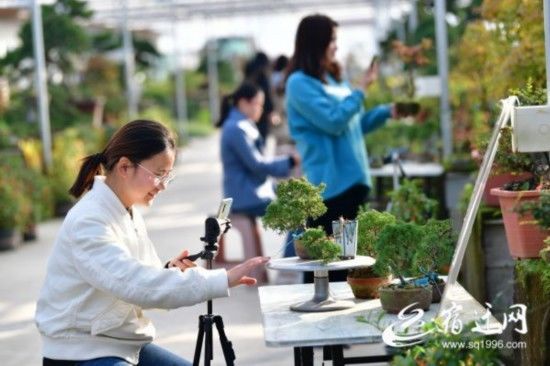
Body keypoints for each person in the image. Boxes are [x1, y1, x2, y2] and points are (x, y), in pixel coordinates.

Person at [35, 119, 269, 366]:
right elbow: (136, 285)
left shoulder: (125, 209)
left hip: (119, 343)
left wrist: (167, 270)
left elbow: (140, 278)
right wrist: (221, 279)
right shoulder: (89, 220)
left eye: (168, 176)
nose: (163, 186)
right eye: (158, 175)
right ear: (125, 166)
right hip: (80, 352)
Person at [285, 14, 399, 281]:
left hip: (354, 184)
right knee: (326, 265)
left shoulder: (334, 81)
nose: (336, 46)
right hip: (330, 188)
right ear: (317, 42)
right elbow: (334, 122)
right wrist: (360, 91)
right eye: (332, 40)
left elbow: (353, 124)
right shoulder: (299, 83)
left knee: (349, 263)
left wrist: (386, 111)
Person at [218, 82, 298, 219]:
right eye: (258, 104)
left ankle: (295, 241)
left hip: (251, 191)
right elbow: (256, 164)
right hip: (247, 196)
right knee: (301, 210)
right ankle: (291, 242)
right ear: (243, 103)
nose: (261, 109)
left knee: (300, 197)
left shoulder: (241, 124)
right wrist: (290, 161)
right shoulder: (236, 128)